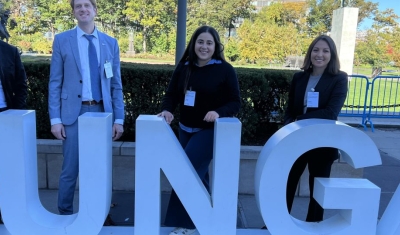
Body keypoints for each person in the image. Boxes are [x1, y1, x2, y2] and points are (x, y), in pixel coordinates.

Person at [158, 25, 241, 235]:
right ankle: (206, 217)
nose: (204, 47)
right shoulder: (184, 66)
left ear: (216, 46)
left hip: (208, 131)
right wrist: (167, 110)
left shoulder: (224, 69)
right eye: (200, 42)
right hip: (185, 129)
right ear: (194, 44)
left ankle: (186, 225)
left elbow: (235, 102)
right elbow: (171, 95)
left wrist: (218, 112)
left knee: (185, 172)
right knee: (199, 176)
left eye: (209, 43)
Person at [48, 0, 124, 217]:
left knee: (99, 169)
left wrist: (119, 119)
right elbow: (55, 82)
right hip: (73, 114)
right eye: (78, 6)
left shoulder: (110, 43)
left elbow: (116, 84)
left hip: (102, 112)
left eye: (87, 5)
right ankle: (65, 214)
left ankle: (99, 214)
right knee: (70, 169)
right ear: (74, 12)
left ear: (95, 10)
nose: (83, 9)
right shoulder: (62, 40)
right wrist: (55, 119)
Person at [283, 35, 348, 222]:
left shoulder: (339, 79)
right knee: (287, 183)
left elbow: (330, 112)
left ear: (332, 55)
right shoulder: (299, 77)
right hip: (296, 139)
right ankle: (279, 221)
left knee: (318, 190)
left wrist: (299, 120)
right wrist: (289, 123)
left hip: (322, 142)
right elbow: (290, 108)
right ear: (310, 53)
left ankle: (314, 226)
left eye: (325, 51)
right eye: (316, 50)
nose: (319, 54)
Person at [0, 39, 28, 224]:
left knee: (6, 168)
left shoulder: (9, 51)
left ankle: (5, 212)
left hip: (5, 115)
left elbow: (21, 85)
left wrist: (15, 114)